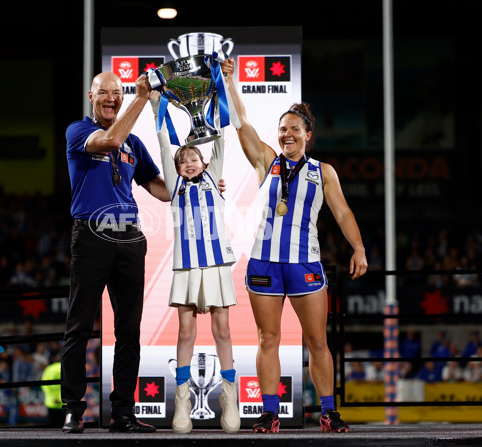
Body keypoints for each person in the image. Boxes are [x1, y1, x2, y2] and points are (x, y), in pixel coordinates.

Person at [222, 58, 368, 434]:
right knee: (267, 338)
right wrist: (230, 80)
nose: (286, 134)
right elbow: (242, 123)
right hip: (264, 263)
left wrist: (359, 249)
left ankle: (327, 411)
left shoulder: (323, 172)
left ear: (307, 134)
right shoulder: (266, 160)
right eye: (282, 129)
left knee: (317, 341)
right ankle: (270, 413)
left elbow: (343, 212)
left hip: (305, 262)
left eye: (293, 129)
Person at [60, 71, 170, 434]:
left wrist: (193, 183)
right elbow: (109, 140)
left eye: (117, 93)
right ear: (91, 96)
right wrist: (141, 97)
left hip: (129, 239)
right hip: (91, 236)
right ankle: (74, 409)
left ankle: (122, 412)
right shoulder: (78, 131)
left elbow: (156, 186)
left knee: (129, 331)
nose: (112, 98)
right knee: (79, 326)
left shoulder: (134, 144)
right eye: (104, 93)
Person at [149, 91, 241, 434]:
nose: (189, 162)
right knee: (186, 332)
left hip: (217, 265)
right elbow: (162, 141)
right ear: (176, 168)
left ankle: (229, 398)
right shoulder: (175, 187)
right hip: (186, 267)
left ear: (204, 164)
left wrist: (219, 91)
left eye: (194, 158)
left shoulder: (213, 179)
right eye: (183, 160)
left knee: (223, 331)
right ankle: (183, 402)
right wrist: (155, 103)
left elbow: (219, 137)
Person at [41, 360, 65, 428]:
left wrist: (54, 397)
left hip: (51, 402)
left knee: (51, 426)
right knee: (63, 425)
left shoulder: (49, 369)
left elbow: (44, 384)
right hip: (64, 402)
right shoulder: (66, 367)